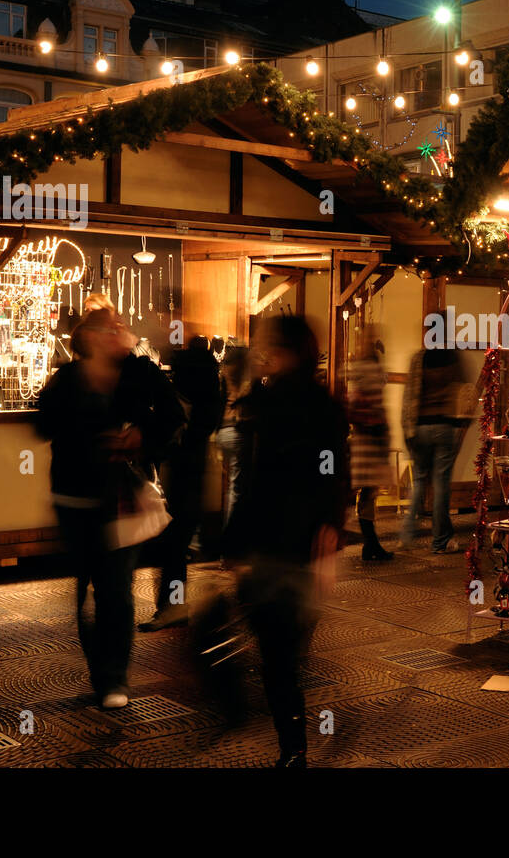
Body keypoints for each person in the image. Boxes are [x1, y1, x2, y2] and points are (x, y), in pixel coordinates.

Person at [34, 307, 186, 709]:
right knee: (85, 589)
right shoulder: (69, 378)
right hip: (74, 497)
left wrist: (141, 435)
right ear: (97, 336)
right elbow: (42, 423)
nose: (123, 333)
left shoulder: (140, 373)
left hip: (120, 499)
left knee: (115, 589)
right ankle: (102, 673)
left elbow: (174, 416)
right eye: (115, 327)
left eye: (123, 327)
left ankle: (114, 677)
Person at [222, 315, 349, 767]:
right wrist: (329, 530)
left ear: (288, 351)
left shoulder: (272, 405)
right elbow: (333, 471)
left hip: (274, 544)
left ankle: (291, 746)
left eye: (269, 345)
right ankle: (291, 744)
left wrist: (234, 545)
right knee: (285, 654)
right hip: (301, 543)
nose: (261, 352)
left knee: (277, 656)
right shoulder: (321, 404)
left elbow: (255, 482)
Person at [141, 335, 221, 631]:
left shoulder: (181, 403)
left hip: (181, 478)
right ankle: (174, 605)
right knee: (175, 544)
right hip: (194, 475)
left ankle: (174, 606)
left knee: (172, 545)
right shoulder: (208, 398)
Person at [401, 336, 472, 553]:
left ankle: (406, 534)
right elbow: (466, 392)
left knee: (420, 480)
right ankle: (439, 540)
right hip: (445, 426)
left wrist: (407, 431)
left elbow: (409, 397)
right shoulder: (453, 357)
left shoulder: (420, 358)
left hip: (420, 427)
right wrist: (462, 423)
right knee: (441, 485)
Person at [347, 331, 394, 561]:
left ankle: (371, 544)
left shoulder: (359, 373)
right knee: (368, 492)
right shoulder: (369, 372)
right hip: (371, 440)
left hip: (365, 439)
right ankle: (371, 543)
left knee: (368, 492)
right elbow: (374, 406)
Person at [216, 344, 251, 530]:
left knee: (230, 486)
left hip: (222, 431)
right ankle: (231, 535)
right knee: (236, 487)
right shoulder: (245, 378)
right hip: (237, 431)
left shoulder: (224, 375)